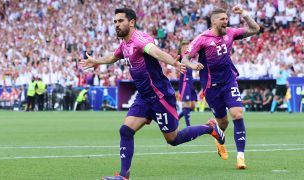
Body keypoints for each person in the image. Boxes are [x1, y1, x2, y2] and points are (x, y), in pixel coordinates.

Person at [80, 8, 225, 180]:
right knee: (125, 130)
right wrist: (96, 61)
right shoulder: (124, 44)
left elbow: (155, 51)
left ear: (131, 22)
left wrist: (173, 63)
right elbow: (114, 56)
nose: (116, 25)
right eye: (115, 22)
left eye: (120, 21)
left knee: (173, 139)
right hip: (143, 97)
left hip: (160, 97)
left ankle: (210, 128)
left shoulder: (139, 40)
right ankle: (123, 175)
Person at [182, 6, 260, 169]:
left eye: (227, 18)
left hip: (229, 81)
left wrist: (244, 14)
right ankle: (218, 138)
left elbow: (255, 29)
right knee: (222, 123)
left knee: (237, 114)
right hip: (211, 87)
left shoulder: (231, 32)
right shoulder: (202, 38)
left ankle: (240, 157)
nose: (226, 21)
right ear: (214, 21)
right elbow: (185, 59)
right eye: (223, 19)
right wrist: (193, 64)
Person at [177, 40, 197, 126]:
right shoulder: (182, 57)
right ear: (181, 49)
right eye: (184, 46)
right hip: (185, 82)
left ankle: (176, 118)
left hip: (190, 81)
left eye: (187, 46)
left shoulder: (189, 56)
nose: (186, 48)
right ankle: (188, 127)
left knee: (192, 105)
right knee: (187, 104)